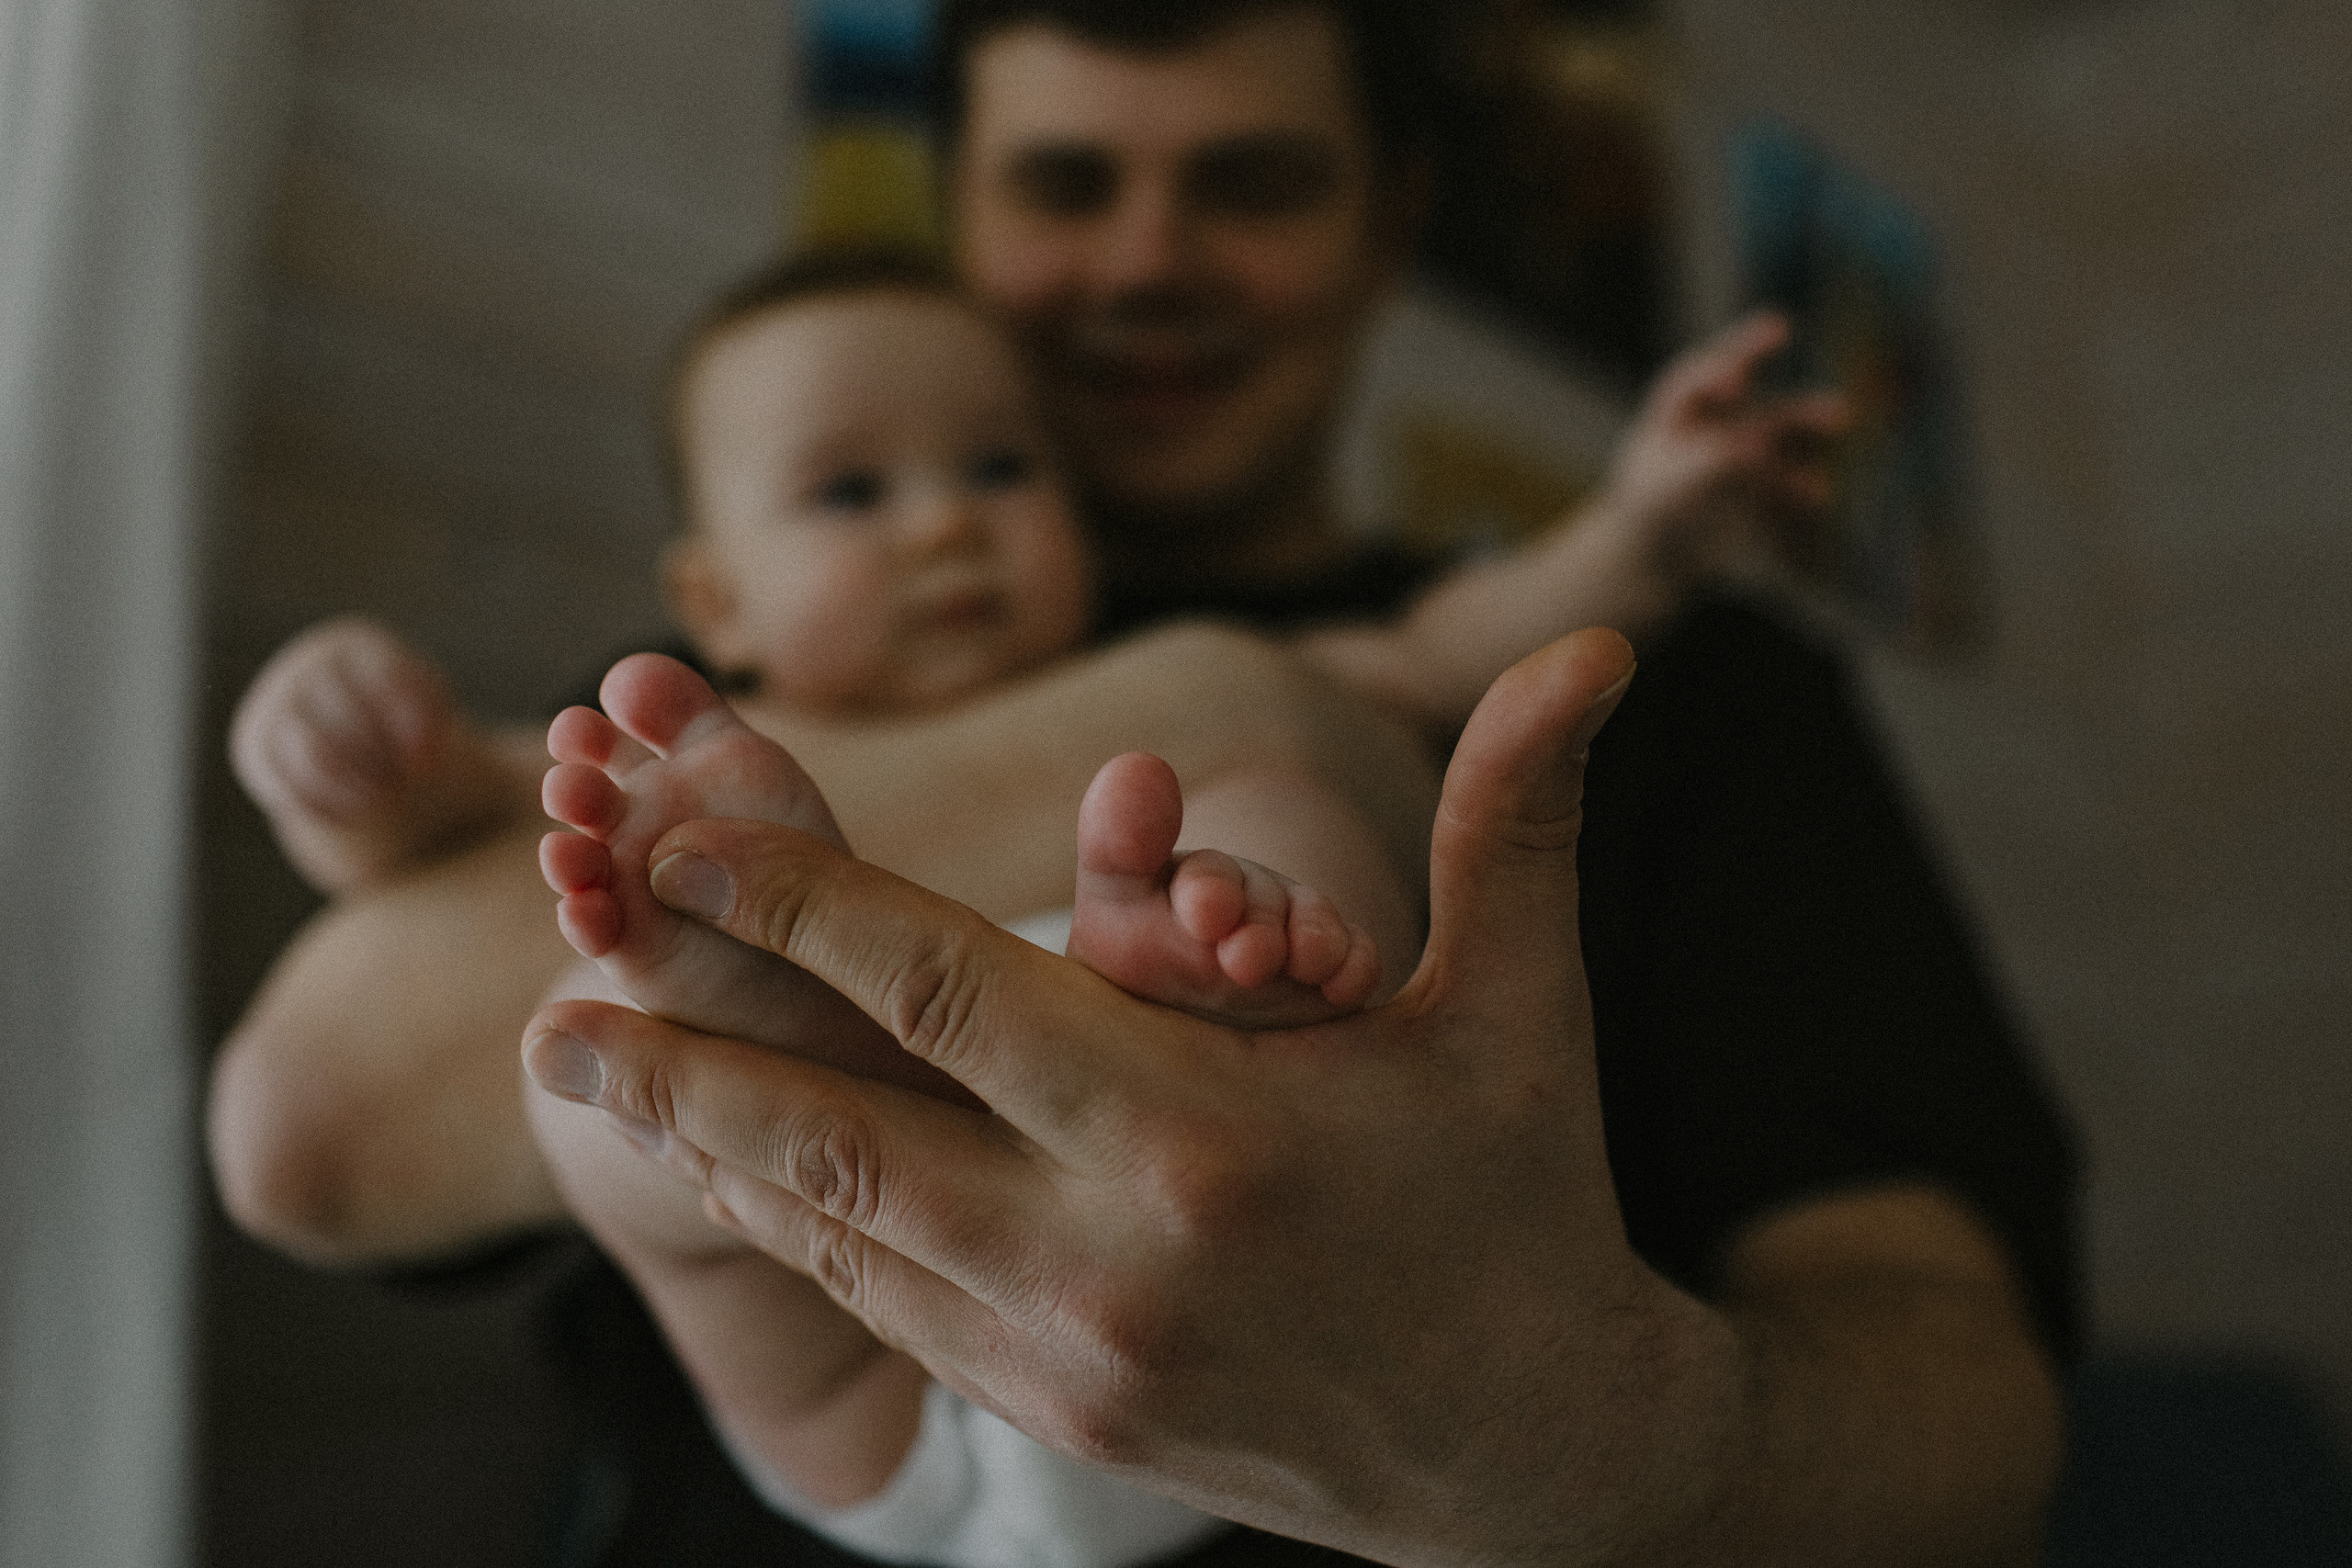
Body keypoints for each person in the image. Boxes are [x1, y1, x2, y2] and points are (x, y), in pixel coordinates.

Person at [208, 0, 2074, 1562]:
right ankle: (756, 988)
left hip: (1284, 1444)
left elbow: (1973, 1397)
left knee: (1230, 844)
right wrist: (351, 760)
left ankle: (1151, 985)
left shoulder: (1686, 705)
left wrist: (1643, 528)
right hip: (850, 1436)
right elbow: (312, 1104)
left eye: (1249, 182)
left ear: (1386, 223)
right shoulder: (695, 712)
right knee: (617, 1109)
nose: (1147, 257)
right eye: (1064, 181)